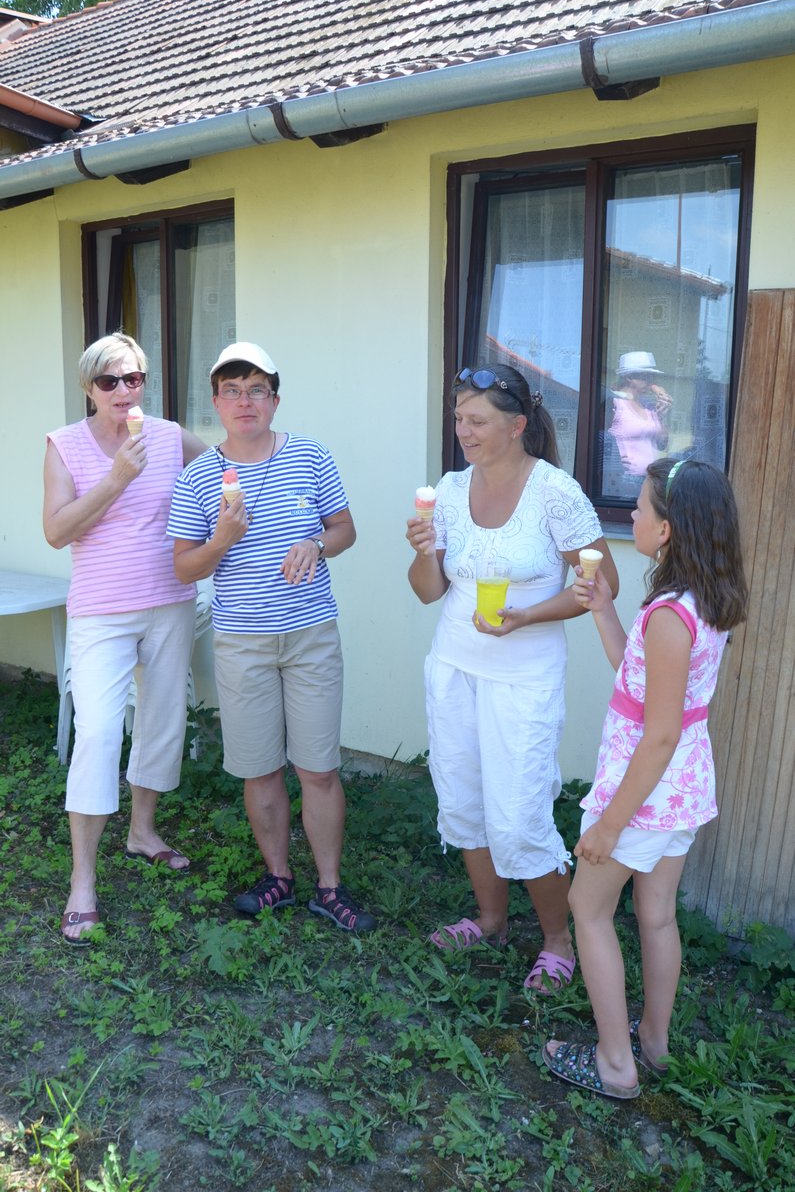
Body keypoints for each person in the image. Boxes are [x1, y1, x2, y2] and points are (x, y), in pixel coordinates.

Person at [405, 364, 618, 991]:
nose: (463, 431)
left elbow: (601, 585)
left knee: (519, 815)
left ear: (518, 425)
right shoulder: (449, 490)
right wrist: (423, 551)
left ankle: (558, 941)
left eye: (478, 421)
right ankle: (491, 920)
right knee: (463, 800)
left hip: (524, 678)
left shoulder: (555, 493)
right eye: (459, 419)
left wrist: (528, 615)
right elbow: (427, 592)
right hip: (454, 668)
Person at [543, 458, 748, 1098]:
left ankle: (615, 1064)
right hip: (682, 789)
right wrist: (605, 610)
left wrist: (609, 824)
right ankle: (653, 1043)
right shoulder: (702, 603)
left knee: (587, 908)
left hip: (644, 792)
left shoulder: (668, 617)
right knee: (656, 915)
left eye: (640, 508)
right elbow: (640, 684)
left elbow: (656, 734)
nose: (631, 515)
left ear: (667, 530)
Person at [167, 342, 375, 932]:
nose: (245, 401)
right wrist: (221, 539)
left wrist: (318, 543)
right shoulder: (199, 476)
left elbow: (345, 528)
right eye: (232, 391)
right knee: (259, 769)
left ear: (275, 401)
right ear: (216, 403)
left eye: (256, 389)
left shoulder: (310, 455)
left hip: (311, 635)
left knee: (319, 769)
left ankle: (329, 887)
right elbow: (184, 567)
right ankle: (279, 876)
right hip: (242, 643)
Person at [43, 332, 208, 945]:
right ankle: (82, 882)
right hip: (101, 614)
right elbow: (56, 532)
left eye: (133, 379)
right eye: (109, 380)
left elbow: (224, 473)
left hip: (170, 604)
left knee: (162, 721)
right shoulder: (65, 445)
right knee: (98, 734)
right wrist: (115, 479)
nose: (122, 390)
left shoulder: (169, 437)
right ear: (89, 387)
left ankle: (142, 832)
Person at [605, 352, 672, 498]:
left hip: (652, 478)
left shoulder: (649, 407)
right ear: (629, 377)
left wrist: (663, 416)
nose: (650, 382)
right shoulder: (614, 403)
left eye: (651, 377)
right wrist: (612, 461)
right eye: (645, 377)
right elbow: (596, 437)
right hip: (628, 477)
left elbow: (662, 444)